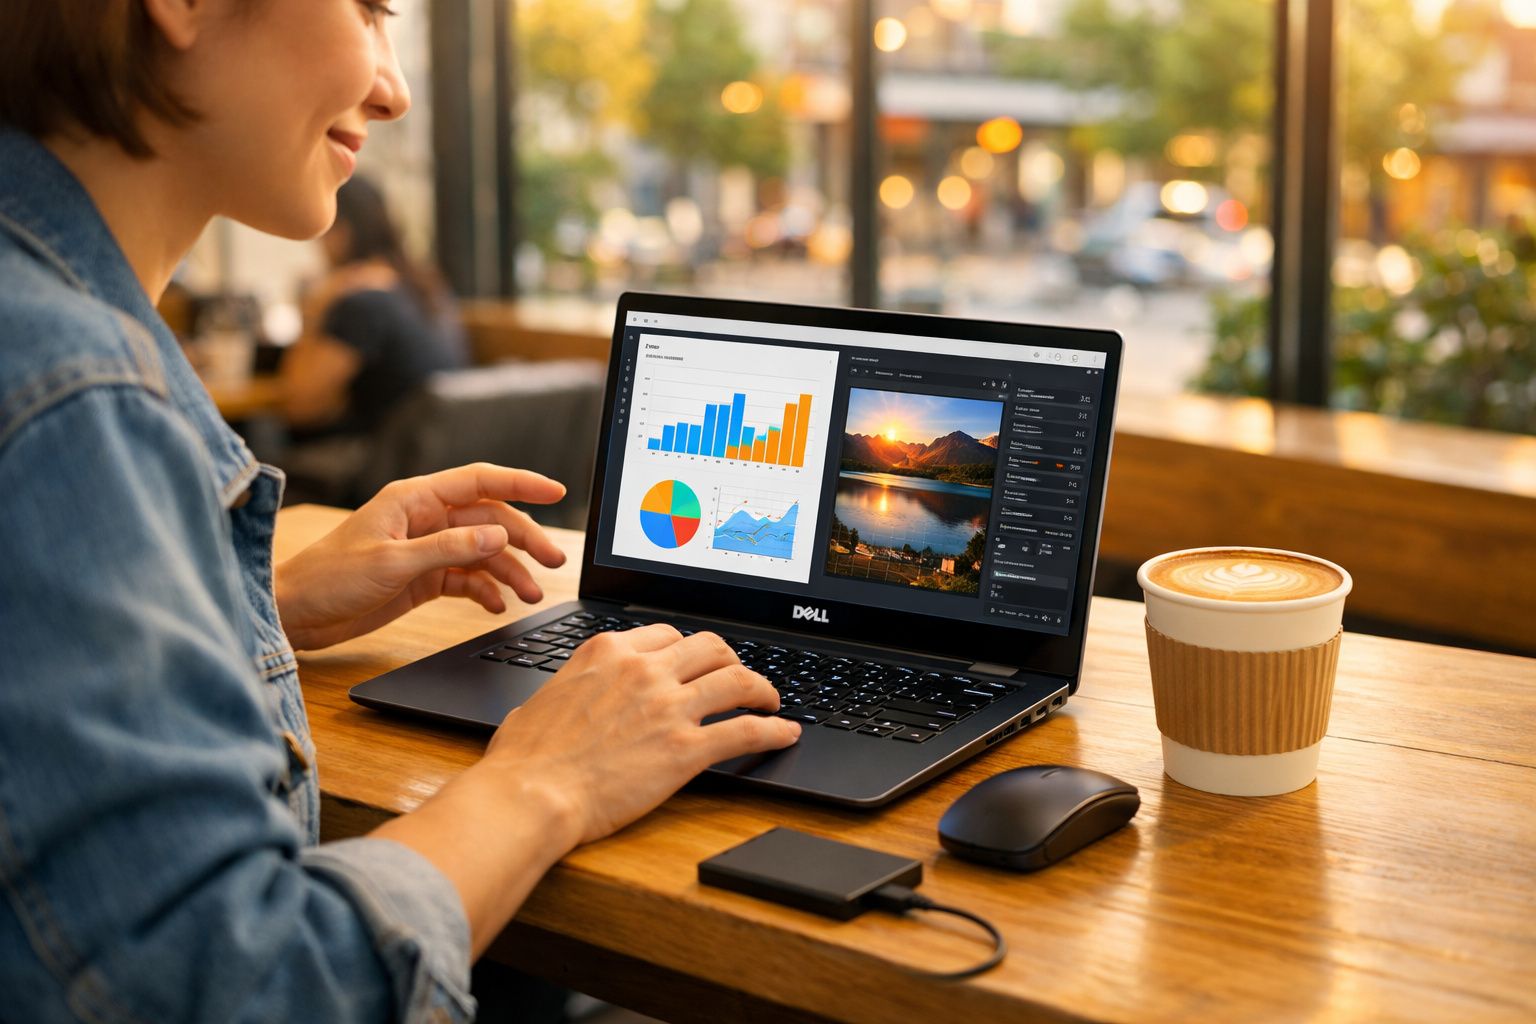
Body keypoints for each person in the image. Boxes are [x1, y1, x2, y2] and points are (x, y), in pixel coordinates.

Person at [0, 3, 801, 1022]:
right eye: (369, 8)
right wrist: (549, 778)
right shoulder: (73, 395)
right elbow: (255, 992)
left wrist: (257, 613)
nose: (394, 87)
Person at [281, 174, 466, 438]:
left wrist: (316, 306)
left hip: (382, 461)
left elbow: (299, 406)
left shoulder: (361, 301)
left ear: (342, 232)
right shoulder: (425, 285)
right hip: (435, 450)